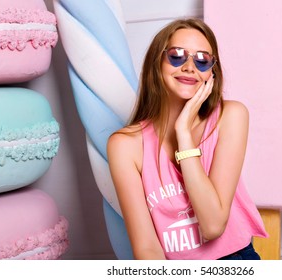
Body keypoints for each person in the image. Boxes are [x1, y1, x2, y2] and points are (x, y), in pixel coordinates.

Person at [107, 17, 267, 260]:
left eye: (202, 60)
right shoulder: (125, 146)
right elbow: (147, 248)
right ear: (156, 62)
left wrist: (183, 132)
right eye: (177, 55)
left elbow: (213, 226)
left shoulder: (230, 116)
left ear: (211, 73)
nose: (190, 67)